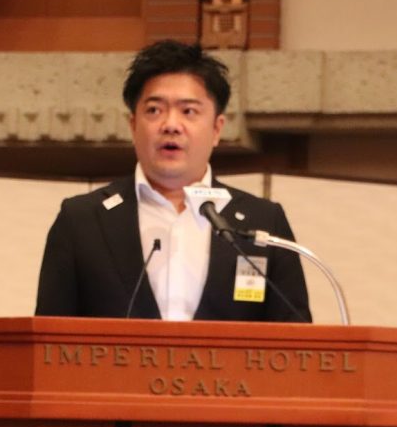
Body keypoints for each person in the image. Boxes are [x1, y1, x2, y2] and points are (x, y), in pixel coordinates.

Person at [35, 40, 311, 322]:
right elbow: (48, 337)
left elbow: (295, 335)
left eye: (188, 111)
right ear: (133, 125)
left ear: (217, 129)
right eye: (154, 110)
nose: (170, 125)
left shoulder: (264, 222)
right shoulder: (81, 220)